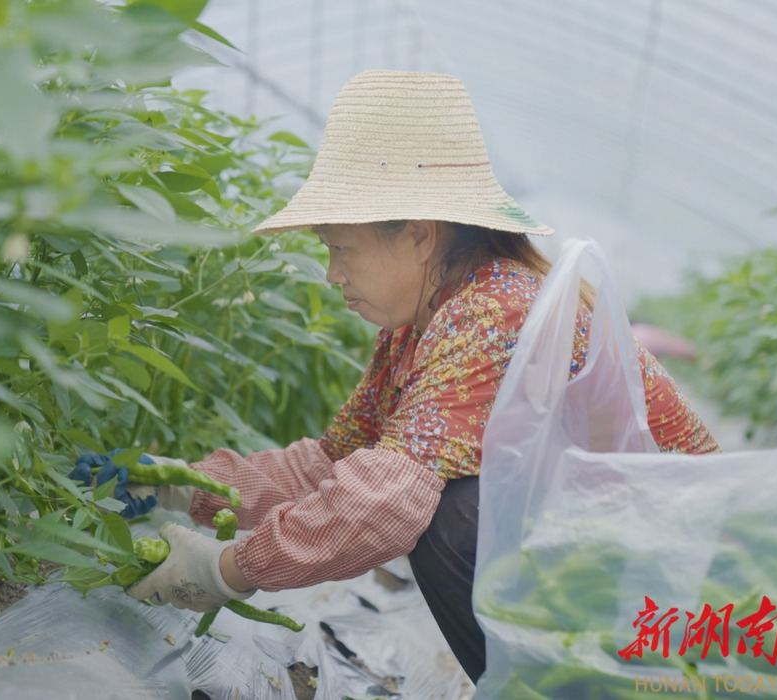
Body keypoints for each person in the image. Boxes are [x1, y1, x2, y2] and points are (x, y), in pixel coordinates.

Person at [73, 70, 720, 684]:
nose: (331, 273)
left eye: (340, 248)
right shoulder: (422, 326)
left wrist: (228, 568)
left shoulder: (495, 311)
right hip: (631, 575)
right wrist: (179, 484)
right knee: (441, 499)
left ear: (417, 235)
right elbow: (328, 466)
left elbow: (382, 503)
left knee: (447, 513)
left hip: (689, 595)